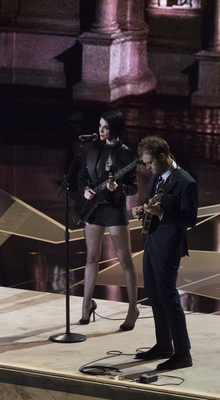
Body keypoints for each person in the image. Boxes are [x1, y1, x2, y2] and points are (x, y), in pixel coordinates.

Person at [132, 136, 197, 370]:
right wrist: (143, 209)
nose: (147, 168)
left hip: (169, 245)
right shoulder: (157, 175)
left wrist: (161, 213)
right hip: (152, 241)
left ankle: (183, 353)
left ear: (162, 156)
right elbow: (153, 201)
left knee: (168, 297)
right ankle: (163, 345)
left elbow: (190, 218)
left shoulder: (185, 182)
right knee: (154, 293)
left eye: (149, 163)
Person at [77, 110, 140, 330]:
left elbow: (133, 187)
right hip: (94, 209)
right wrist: (85, 189)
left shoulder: (127, 155)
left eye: (105, 127)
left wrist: (119, 187)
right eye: (100, 126)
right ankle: (86, 306)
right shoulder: (94, 149)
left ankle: (133, 309)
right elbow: (83, 176)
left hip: (114, 209)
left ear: (114, 129)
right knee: (91, 258)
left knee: (125, 261)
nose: (100, 131)